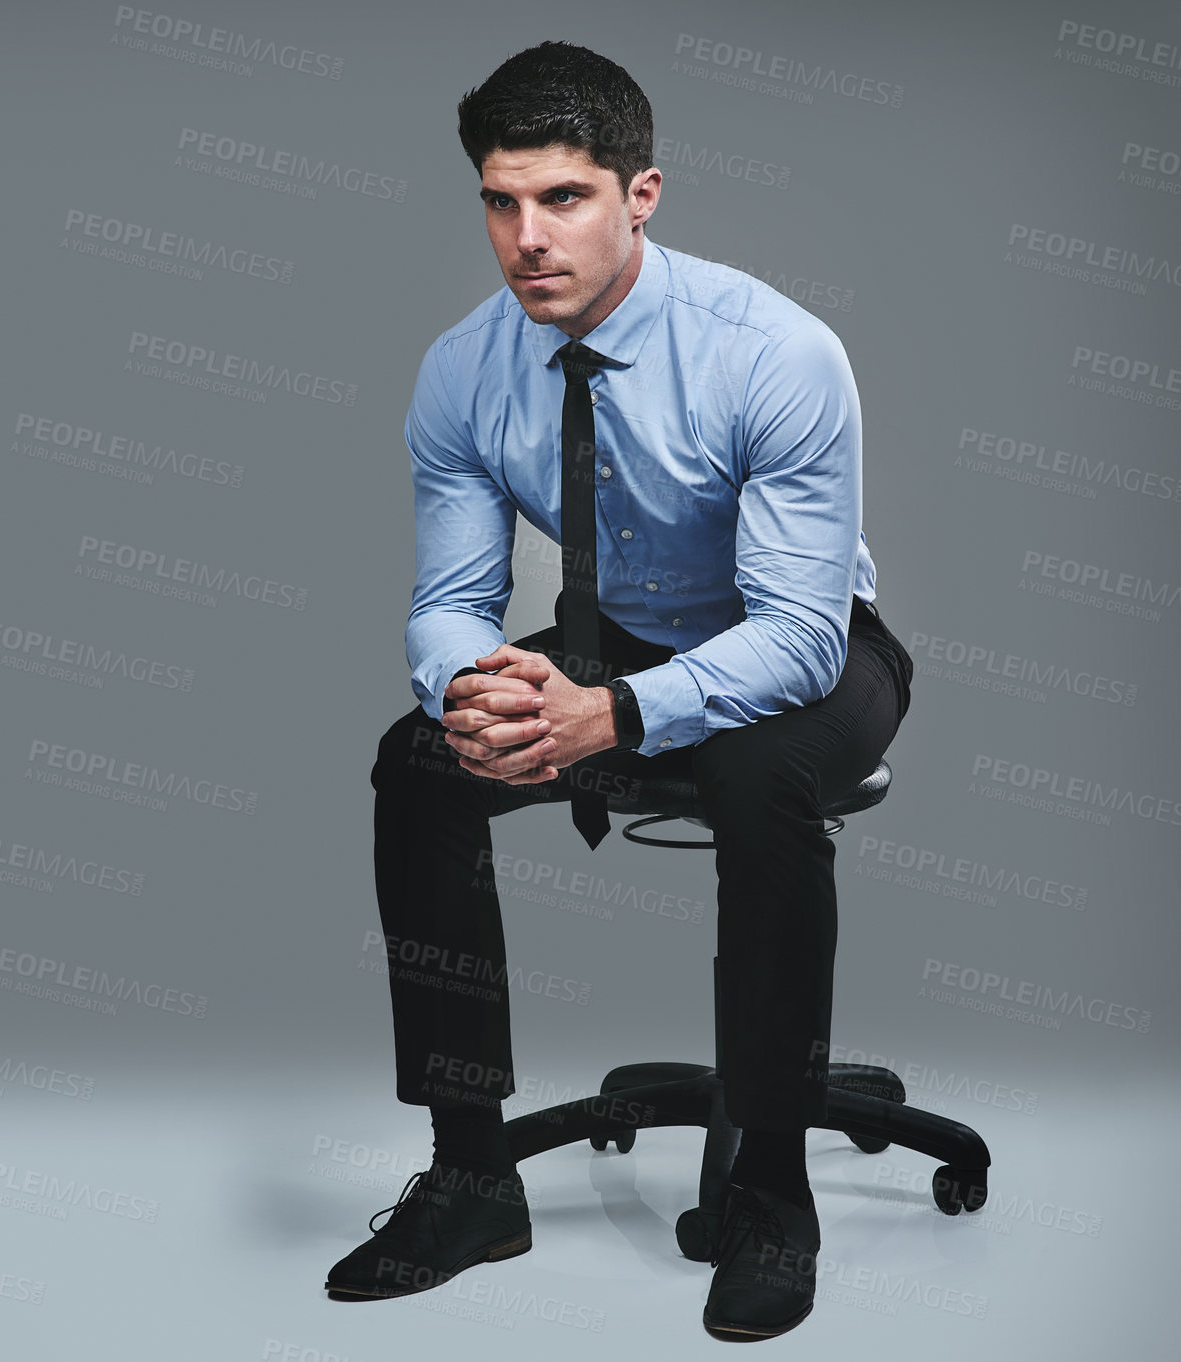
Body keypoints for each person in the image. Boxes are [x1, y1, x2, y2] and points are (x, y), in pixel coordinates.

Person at [324, 40, 914, 1342]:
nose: (526, 237)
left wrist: (616, 715)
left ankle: (769, 1187)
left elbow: (806, 639)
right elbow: (449, 595)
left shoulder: (774, 354)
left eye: (564, 199)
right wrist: (476, 684)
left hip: (805, 646)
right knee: (418, 762)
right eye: (499, 201)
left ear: (640, 195)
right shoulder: (463, 370)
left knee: (761, 781)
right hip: (618, 638)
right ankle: (472, 1170)